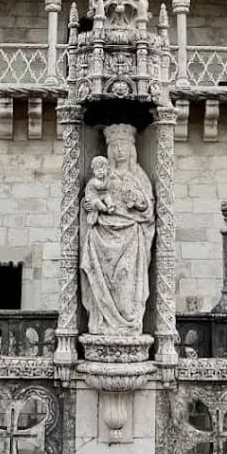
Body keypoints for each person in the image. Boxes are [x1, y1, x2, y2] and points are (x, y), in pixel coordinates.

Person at [79, 124, 155, 336]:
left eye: (124, 146)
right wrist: (89, 206)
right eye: (115, 146)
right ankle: (101, 322)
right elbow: (90, 197)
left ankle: (128, 323)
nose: (120, 150)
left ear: (132, 149)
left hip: (131, 236)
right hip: (102, 235)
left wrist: (137, 203)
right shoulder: (102, 176)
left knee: (124, 280)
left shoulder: (138, 176)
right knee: (103, 281)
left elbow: (148, 210)